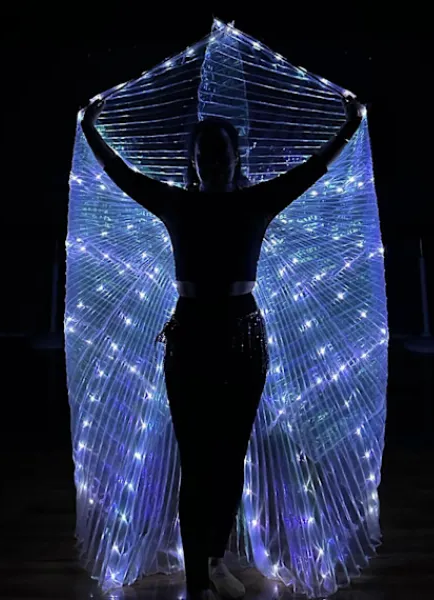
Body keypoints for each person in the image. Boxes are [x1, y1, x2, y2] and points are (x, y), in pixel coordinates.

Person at [81, 94, 364, 600]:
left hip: (242, 336)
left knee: (230, 457)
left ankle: (212, 562)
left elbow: (313, 169)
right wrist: (90, 128)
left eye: (221, 153)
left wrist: (350, 124)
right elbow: (119, 173)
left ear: (235, 157)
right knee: (196, 461)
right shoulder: (177, 203)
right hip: (192, 335)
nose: (213, 162)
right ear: (193, 161)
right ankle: (197, 580)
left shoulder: (254, 202)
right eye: (205, 154)